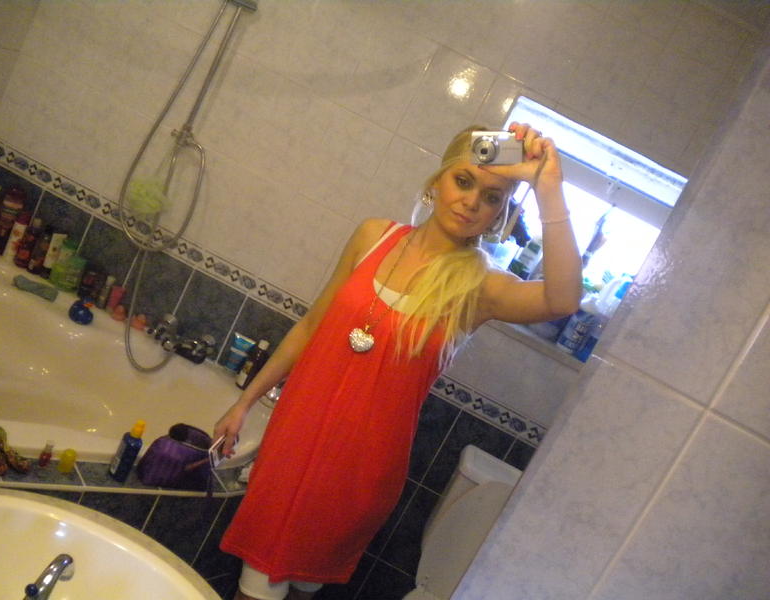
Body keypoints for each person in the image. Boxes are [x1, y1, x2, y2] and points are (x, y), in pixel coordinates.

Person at [214, 122, 581, 600]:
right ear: (438, 180)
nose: (472, 202)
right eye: (464, 181)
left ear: (498, 216)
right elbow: (309, 328)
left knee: (304, 589)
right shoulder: (373, 236)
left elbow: (562, 299)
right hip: (293, 442)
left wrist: (548, 188)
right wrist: (245, 402)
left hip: (359, 474)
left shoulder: (480, 288)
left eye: (491, 197)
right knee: (256, 588)